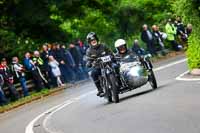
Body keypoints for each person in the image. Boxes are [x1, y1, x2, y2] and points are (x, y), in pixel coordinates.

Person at [86, 32, 113, 97]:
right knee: (93, 73)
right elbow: (88, 59)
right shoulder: (89, 50)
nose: (93, 41)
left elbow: (110, 53)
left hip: (108, 64)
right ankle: (100, 90)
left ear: (97, 40)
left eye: (94, 40)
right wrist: (89, 63)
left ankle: (120, 82)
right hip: (98, 66)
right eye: (92, 41)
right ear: (89, 42)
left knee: (116, 66)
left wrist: (112, 56)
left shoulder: (103, 46)